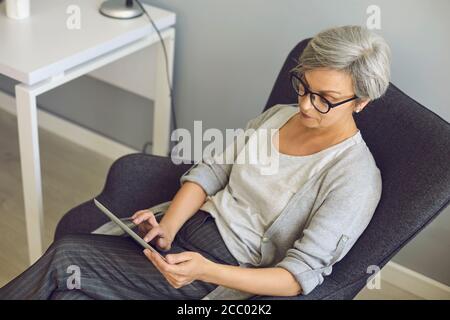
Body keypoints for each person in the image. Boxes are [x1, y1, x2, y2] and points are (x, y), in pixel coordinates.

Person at [0, 25, 391, 300]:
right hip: (185, 235)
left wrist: (205, 271)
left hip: (220, 274)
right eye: (303, 86)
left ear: (361, 102)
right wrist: (168, 226)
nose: (305, 104)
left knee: (68, 256)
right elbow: (213, 171)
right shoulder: (278, 117)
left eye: (324, 98)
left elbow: (299, 275)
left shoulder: (354, 178)